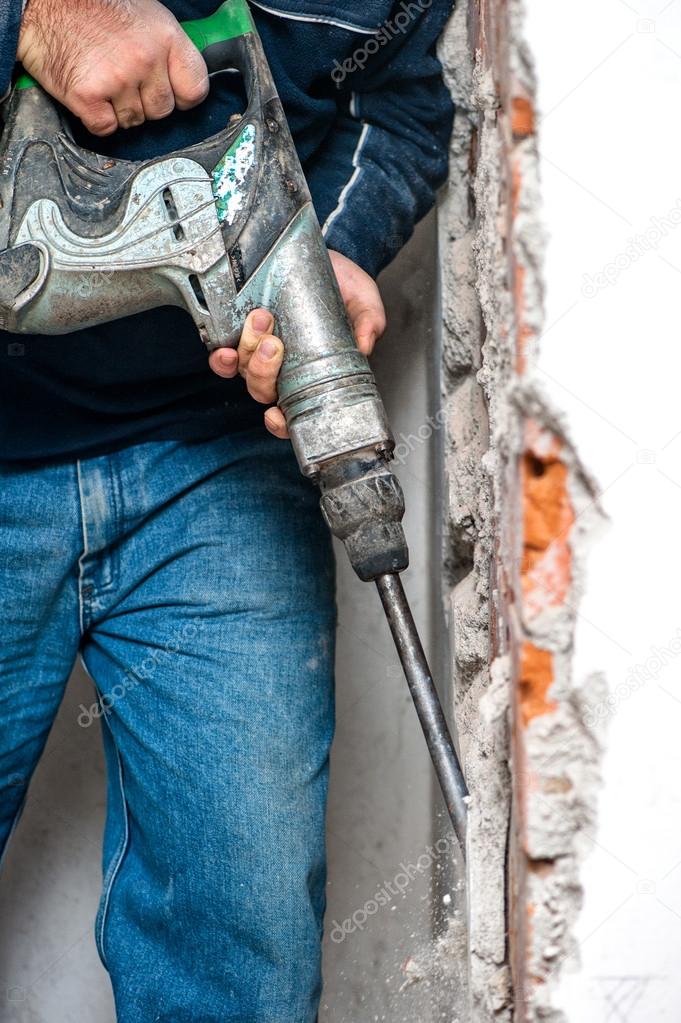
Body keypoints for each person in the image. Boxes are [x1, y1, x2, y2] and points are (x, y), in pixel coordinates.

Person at [0, 0, 454, 1019]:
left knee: (239, 953)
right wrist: (36, 20)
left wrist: (328, 252)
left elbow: (402, 106)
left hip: (220, 471)